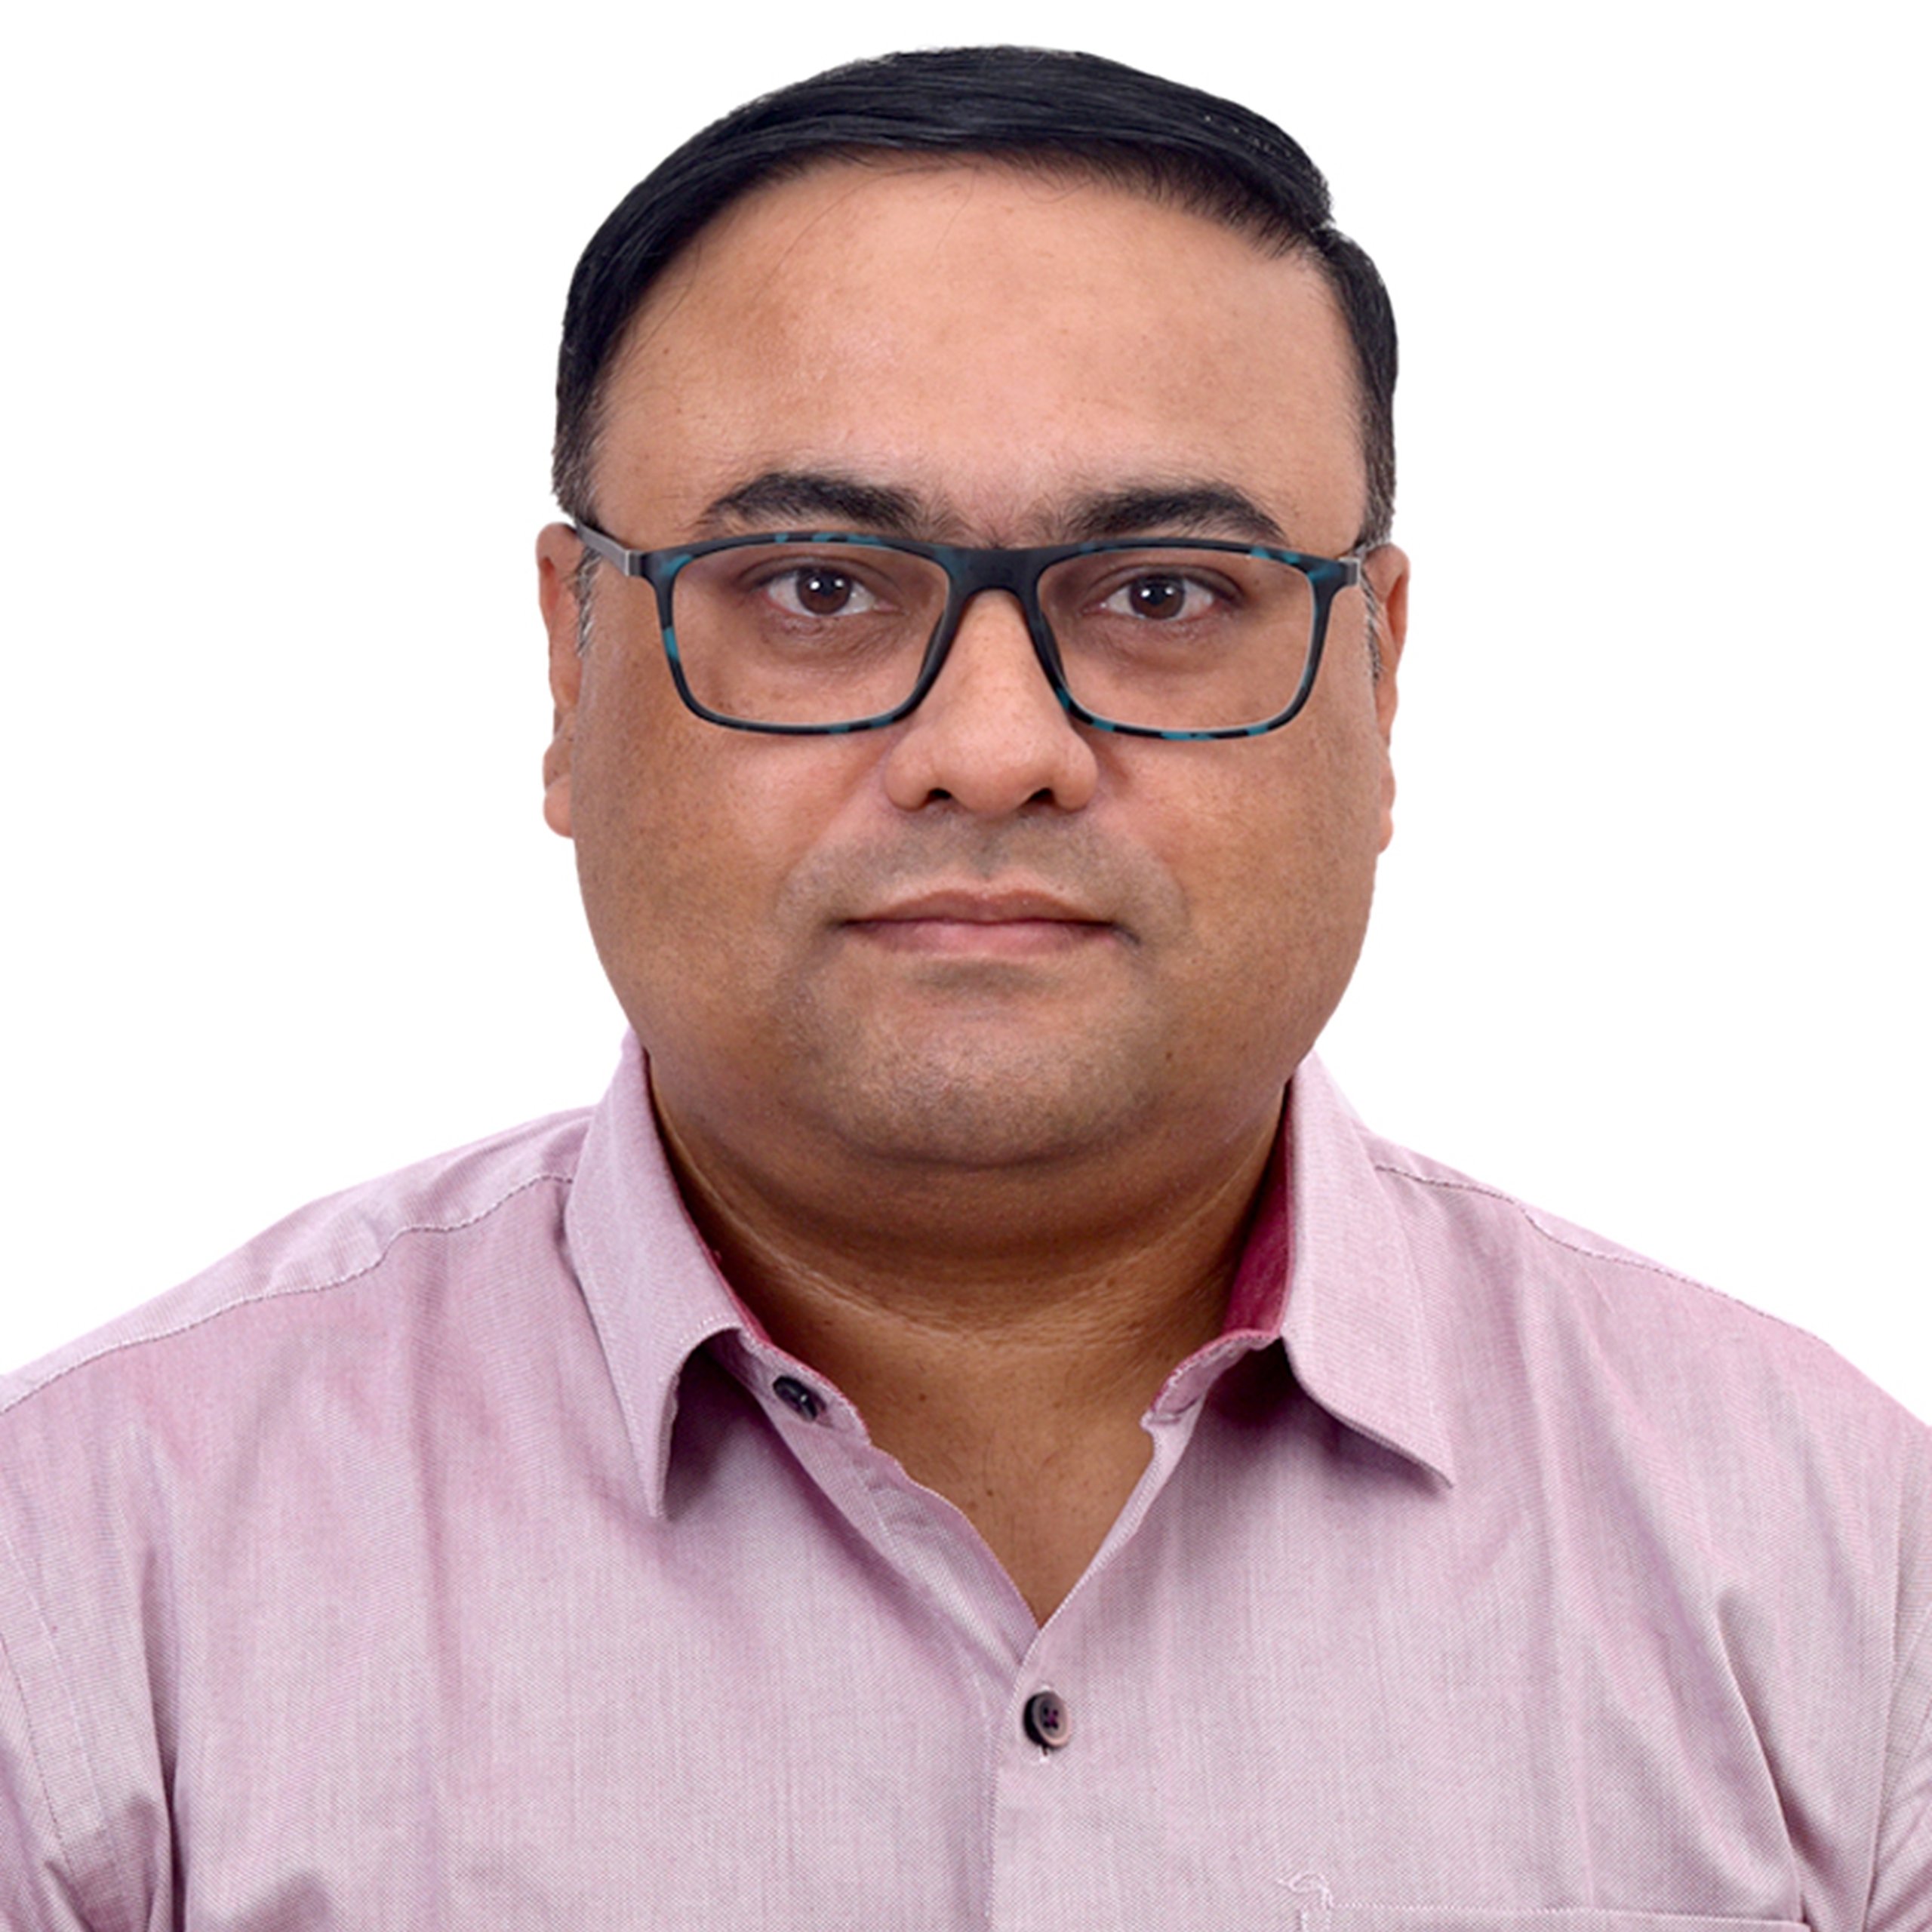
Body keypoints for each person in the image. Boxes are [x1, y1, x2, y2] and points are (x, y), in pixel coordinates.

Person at [0, 42, 1924, 1929]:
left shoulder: (1844, 1562)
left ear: (1380, 675)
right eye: (821, 584)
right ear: (569, 663)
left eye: (1164, 590)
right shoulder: (83, 1575)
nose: (992, 748)